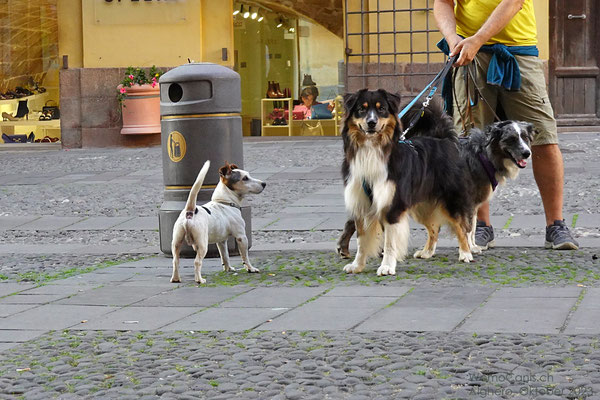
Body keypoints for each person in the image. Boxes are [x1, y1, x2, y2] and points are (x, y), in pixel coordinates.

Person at [433, 0, 579, 250]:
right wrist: (453, 38)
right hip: (470, 56)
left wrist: (477, 38)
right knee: (470, 143)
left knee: (543, 137)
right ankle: (481, 225)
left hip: (518, 53)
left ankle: (555, 224)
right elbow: (442, 3)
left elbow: (514, 2)